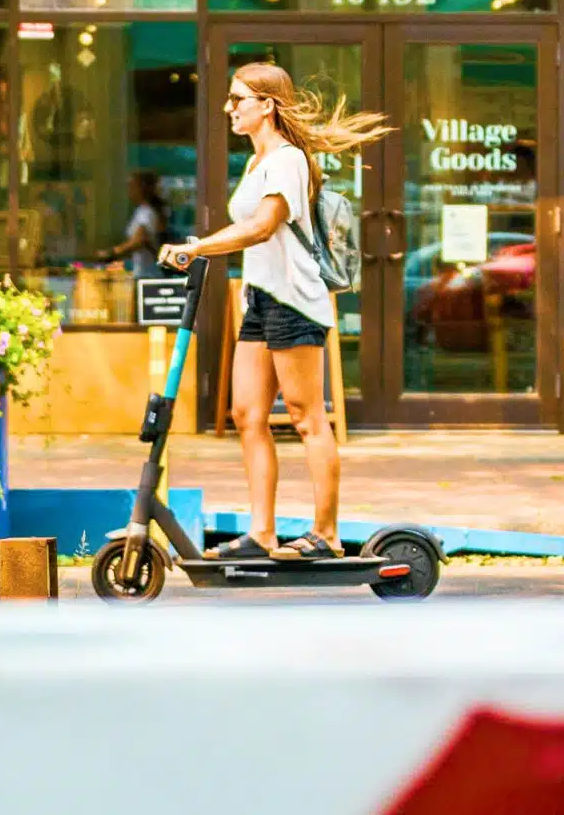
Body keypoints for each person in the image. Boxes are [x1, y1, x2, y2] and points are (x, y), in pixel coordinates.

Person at [163, 63, 386, 560]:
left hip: (295, 300)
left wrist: (198, 246)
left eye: (238, 99)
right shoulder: (256, 163)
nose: (229, 108)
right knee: (247, 414)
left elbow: (264, 226)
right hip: (262, 299)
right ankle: (262, 535)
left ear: (267, 105)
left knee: (307, 418)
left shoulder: (288, 161)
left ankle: (325, 534)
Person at [105, 171, 169, 278]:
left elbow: (139, 240)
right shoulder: (142, 211)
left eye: (132, 186)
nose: (129, 191)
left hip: (148, 275)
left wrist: (112, 252)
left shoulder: (147, 212)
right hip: (142, 271)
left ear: (141, 189)